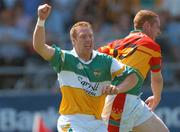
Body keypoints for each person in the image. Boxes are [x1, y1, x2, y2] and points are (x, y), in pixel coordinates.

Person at [33, 4, 142, 132]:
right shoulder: (64, 58)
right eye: (83, 37)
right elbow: (39, 47)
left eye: (90, 36)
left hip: (97, 122)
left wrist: (117, 89)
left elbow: (133, 77)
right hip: (71, 121)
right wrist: (41, 20)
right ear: (73, 41)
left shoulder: (105, 61)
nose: (88, 40)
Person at [98, 10, 169, 132]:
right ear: (147, 25)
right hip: (120, 100)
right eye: (157, 27)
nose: (159, 31)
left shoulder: (115, 44)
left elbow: (93, 59)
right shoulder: (152, 46)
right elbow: (156, 78)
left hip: (133, 100)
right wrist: (156, 97)